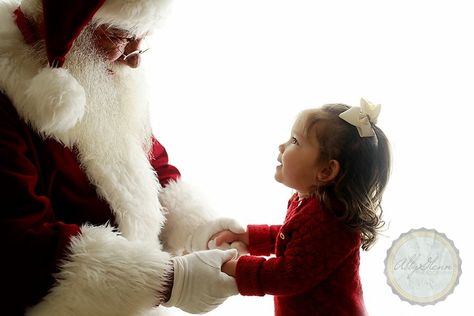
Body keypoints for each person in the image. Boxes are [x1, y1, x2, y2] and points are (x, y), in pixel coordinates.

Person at [0, 0, 245, 315]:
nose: (133, 61)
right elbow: (17, 241)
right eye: (118, 37)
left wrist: (201, 229)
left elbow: (149, 161)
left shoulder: (96, 69)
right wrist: (169, 281)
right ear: (70, 28)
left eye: (142, 39)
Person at [211, 100, 391, 316]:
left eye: (295, 141)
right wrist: (251, 237)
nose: (282, 146)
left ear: (326, 171)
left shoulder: (332, 220)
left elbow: (288, 275)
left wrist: (234, 267)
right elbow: (295, 239)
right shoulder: (309, 201)